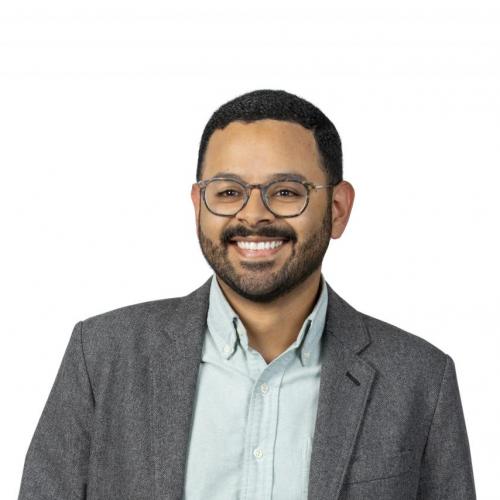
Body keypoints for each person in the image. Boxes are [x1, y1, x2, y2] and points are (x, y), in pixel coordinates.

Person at [18, 89, 476, 500]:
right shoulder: (101, 356)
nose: (253, 215)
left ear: (337, 210)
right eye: (229, 191)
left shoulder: (419, 379)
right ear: (198, 207)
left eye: (286, 191)